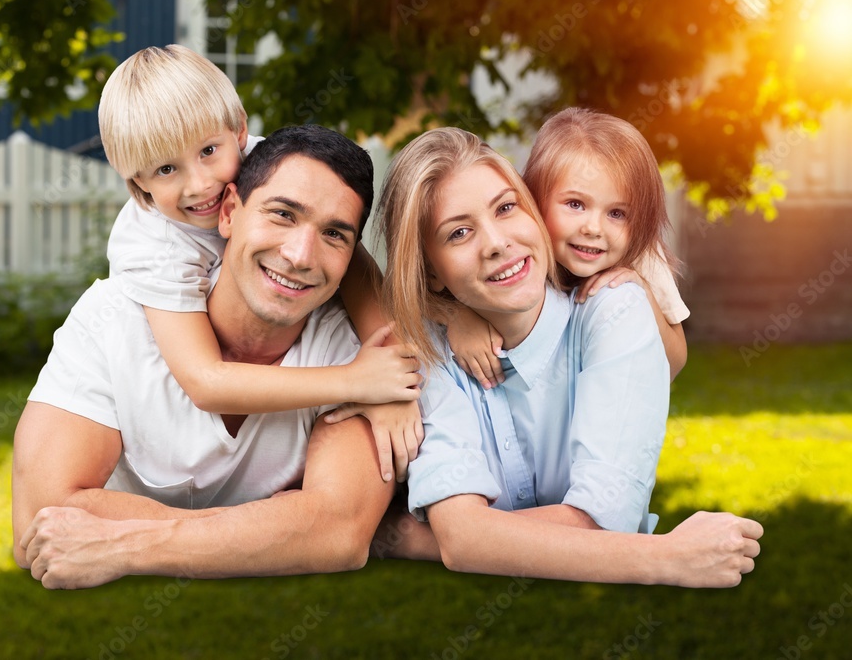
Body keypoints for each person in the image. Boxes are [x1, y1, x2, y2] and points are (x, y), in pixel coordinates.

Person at [362, 127, 761, 586]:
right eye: (459, 233)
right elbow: (463, 538)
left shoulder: (617, 302)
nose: (495, 242)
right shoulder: (429, 354)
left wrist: (419, 538)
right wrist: (664, 556)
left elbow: (604, 521)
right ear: (431, 272)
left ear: (530, 211)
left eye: (506, 208)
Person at [12, 125, 396, 589]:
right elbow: (41, 516)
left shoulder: (358, 354)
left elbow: (338, 531)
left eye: (334, 234)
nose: (299, 255)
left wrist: (124, 546)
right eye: (282, 215)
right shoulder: (112, 318)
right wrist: (269, 531)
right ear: (230, 211)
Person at [99, 45, 421, 483]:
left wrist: (394, 375)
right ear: (138, 180)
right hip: (185, 414)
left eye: (209, 150)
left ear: (239, 132)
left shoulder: (267, 163)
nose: (201, 183)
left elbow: (352, 258)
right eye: (166, 169)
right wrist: (358, 382)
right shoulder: (151, 243)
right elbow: (206, 382)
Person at [447, 108, 688, 388]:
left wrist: (644, 293)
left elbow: (674, 363)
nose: (594, 229)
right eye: (575, 204)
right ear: (534, 199)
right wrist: (457, 317)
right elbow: (421, 291)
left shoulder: (642, 256)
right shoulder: (520, 249)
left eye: (617, 213)